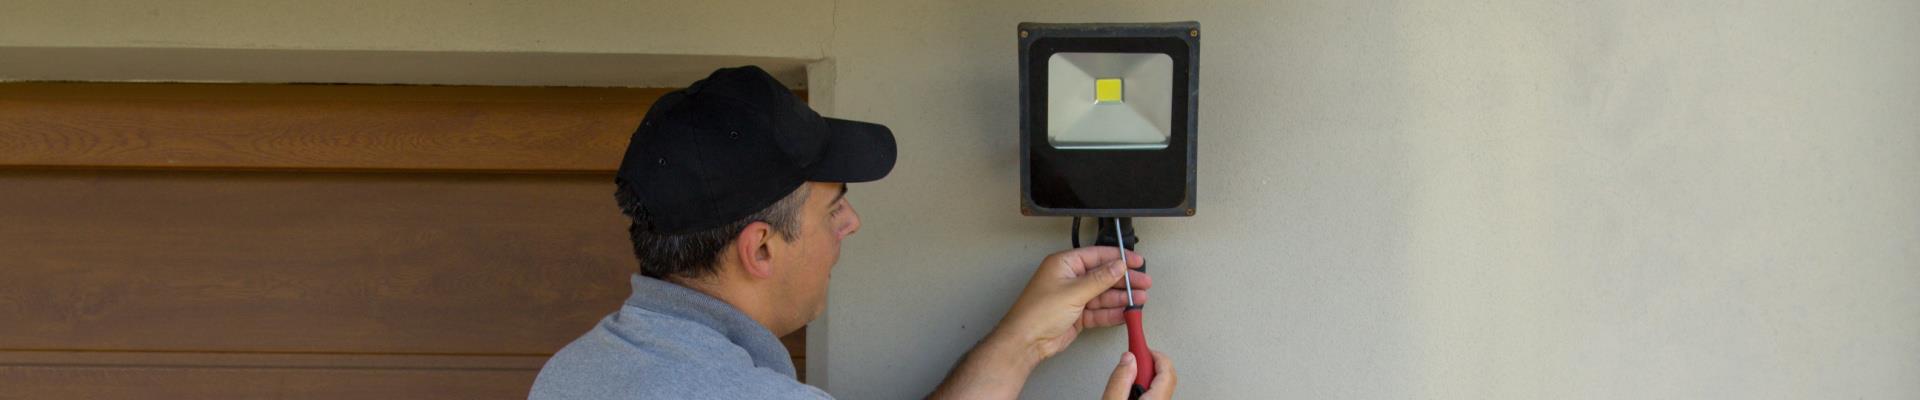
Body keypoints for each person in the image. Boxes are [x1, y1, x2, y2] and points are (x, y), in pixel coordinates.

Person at [529, 66, 1177, 399]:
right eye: (833, 206)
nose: (851, 222)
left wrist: (1022, 341)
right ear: (760, 248)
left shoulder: (578, 373)